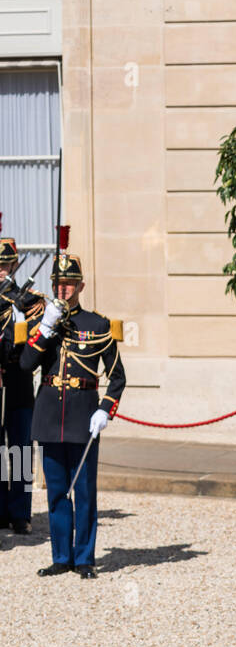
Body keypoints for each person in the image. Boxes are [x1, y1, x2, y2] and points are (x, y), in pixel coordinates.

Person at [19, 234, 125, 579]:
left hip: (82, 416)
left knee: (84, 492)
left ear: (81, 286)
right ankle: (61, 556)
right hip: (49, 416)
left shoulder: (96, 325)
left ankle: (85, 559)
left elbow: (118, 376)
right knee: (56, 492)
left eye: (70, 284)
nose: (64, 290)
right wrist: (46, 326)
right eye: (59, 284)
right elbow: (26, 364)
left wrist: (105, 409)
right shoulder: (41, 323)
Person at [0, 231, 44, 536]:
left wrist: (15, 298)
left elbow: (42, 318)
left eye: (6, 265)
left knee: (20, 449)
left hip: (18, 381)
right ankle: (2, 509)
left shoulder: (26, 298)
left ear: (15, 265)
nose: (2, 270)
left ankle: (21, 512)